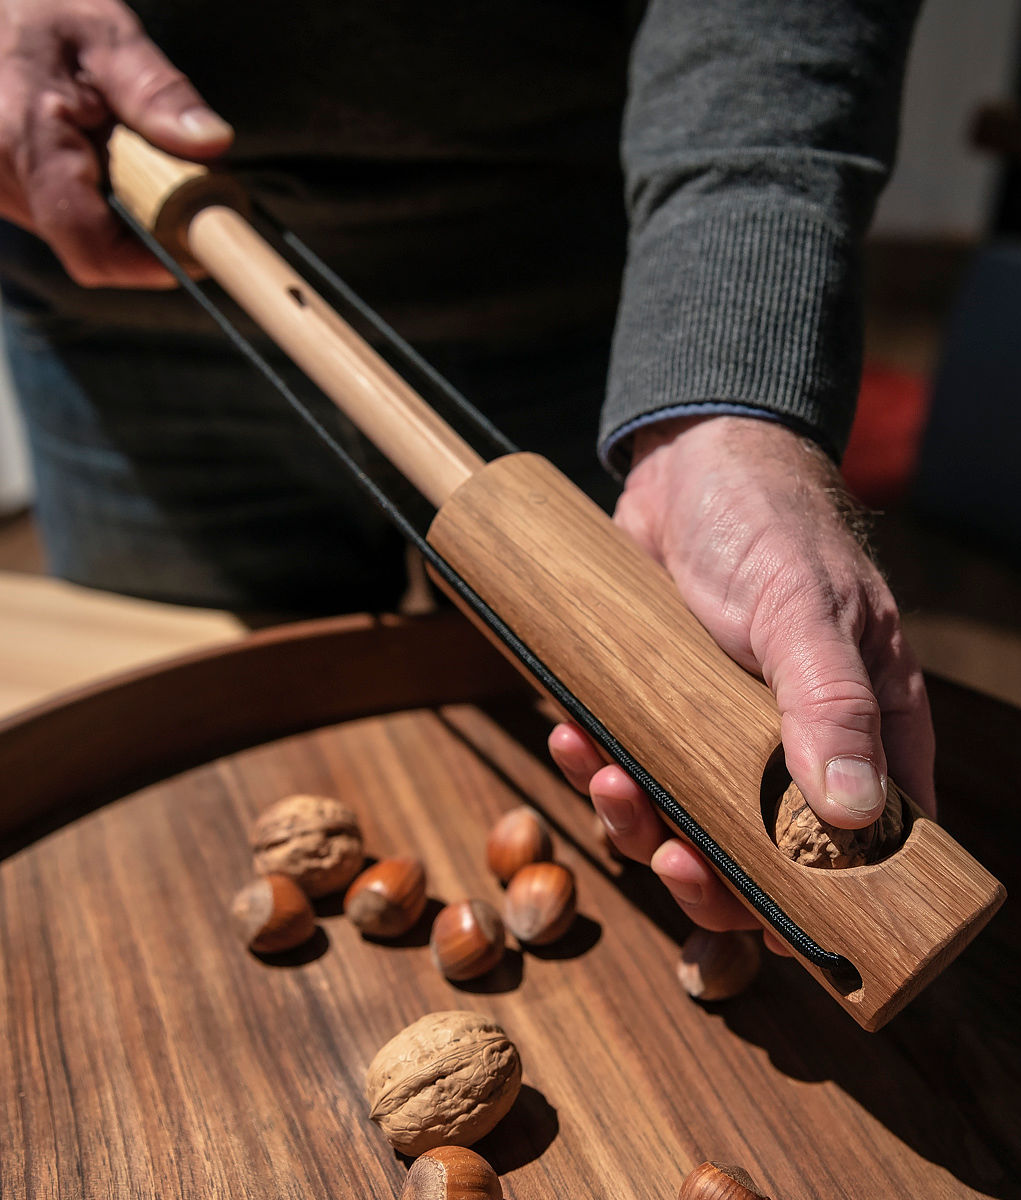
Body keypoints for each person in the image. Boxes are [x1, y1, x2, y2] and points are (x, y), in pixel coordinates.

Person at [0, 0, 934, 945]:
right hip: (120, 302)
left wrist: (726, 402)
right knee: (169, 780)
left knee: (633, 763)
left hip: (591, 303)